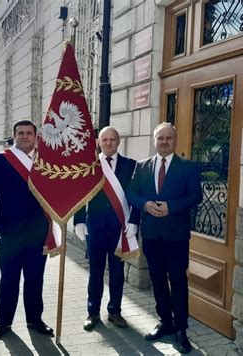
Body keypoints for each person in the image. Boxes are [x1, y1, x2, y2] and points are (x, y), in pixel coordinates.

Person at [127, 123, 202, 354]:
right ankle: (165, 322)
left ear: (175, 140)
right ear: (154, 140)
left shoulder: (188, 168)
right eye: (161, 138)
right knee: (157, 280)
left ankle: (180, 328)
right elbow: (131, 193)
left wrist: (171, 207)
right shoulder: (142, 166)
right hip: (151, 235)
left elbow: (195, 196)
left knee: (178, 281)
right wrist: (145, 204)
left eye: (169, 138)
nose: (165, 142)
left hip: (176, 236)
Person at [0, 120, 54, 342]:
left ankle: (35, 320)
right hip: (9, 233)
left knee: (35, 279)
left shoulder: (44, 161)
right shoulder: (2, 160)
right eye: (20, 133)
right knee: (9, 280)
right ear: (14, 136)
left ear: (35, 137)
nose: (25, 136)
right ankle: (3, 322)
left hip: (36, 233)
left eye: (29, 133)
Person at [74, 126, 140, 331]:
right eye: (105, 140)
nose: (109, 143)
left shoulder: (131, 165)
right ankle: (92, 312)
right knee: (95, 273)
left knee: (117, 273)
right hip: (95, 227)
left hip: (120, 228)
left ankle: (115, 311)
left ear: (118, 142)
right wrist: (79, 220)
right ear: (98, 143)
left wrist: (134, 221)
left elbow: (136, 194)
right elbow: (80, 193)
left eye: (112, 139)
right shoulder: (90, 165)